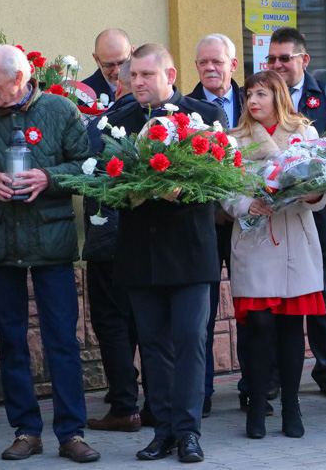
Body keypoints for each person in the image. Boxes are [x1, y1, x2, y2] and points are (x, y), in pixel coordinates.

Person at [0, 45, 99, 462]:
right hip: (2, 245)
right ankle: (26, 430)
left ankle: (71, 433)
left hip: (52, 245)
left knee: (62, 341)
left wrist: (48, 176)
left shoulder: (61, 111)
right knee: (11, 341)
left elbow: (88, 166)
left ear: (19, 78)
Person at [108, 43, 224, 462]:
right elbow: (104, 181)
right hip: (141, 252)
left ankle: (189, 432)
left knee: (191, 340)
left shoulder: (204, 117)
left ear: (169, 76)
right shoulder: (116, 121)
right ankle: (164, 429)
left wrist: (181, 189)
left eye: (146, 75)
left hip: (190, 250)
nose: (137, 82)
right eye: (132, 75)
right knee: (153, 345)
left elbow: (219, 179)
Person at [223, 70, 326, 439]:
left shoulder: (305, 134)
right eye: (248, 94)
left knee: (290, 328)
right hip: (255, 241)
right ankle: (255, 403)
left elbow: (320, 187)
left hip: (295, 242)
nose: (252, 101)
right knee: (258, 326)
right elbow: (225, 188)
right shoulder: (235, 139)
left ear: (278, 96)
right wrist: (243, 203)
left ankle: (291, 406)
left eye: (261, 94)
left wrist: (312, 194)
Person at [268, 27, 326, 398]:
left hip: (319, 215)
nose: (277, 65)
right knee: (274, 296)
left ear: (304, 59)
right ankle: (270, 376)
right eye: (271, 59)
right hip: (272, 216)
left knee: (322, 296)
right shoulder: (258, 94)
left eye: (285, 58)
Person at [83, 60, 147, 433]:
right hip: (144, 241)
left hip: (108, 238)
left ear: (118, 88)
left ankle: (124, 405)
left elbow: (83, 168)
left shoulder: (103, 123)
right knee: (147, 322)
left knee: (111, 324)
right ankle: (154, 404)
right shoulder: (160, 122)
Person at [186, 33, 240, 418]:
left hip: (249, 224)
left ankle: (255, 389)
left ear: (232, 65)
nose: (209, 68)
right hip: (203, 226)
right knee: (199, 316)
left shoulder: (257, 99)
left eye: (216, 62)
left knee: (254, 309)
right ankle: (200, 394)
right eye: (203, 62)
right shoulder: (183, 111)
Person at [82, 29, 134, 101]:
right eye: (109, 65)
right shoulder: (82, 96)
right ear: (96, 60)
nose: (117, 71)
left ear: (132, 53)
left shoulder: (148, 87)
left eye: (122, 62)